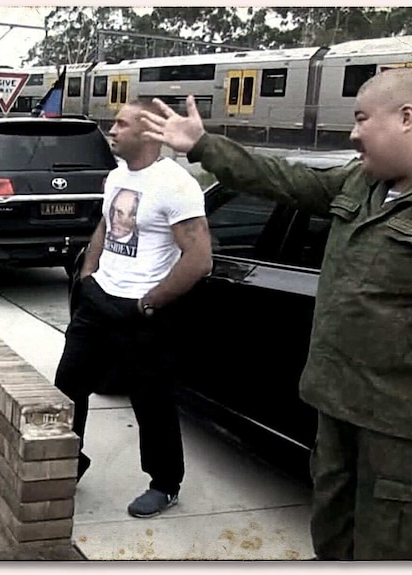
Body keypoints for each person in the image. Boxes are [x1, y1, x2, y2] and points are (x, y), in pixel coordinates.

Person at [139, 68, 412, 560]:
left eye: (361, 119)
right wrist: (203, 146)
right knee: (331, 527)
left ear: (406, 119)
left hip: (395, 426)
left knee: (386, 544)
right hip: (335, 403)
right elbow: (285, 179)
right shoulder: (359, 183)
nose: (351, 133)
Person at [55, 101, 212, 518]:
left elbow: (199, 259)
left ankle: (164, 483)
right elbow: (106, 226)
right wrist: (88, 275)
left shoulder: (175, 185)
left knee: (151, 401)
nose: (112, 129)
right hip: (98, 299)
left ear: (147, 133)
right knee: (67, 386)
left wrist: (148, 302)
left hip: (141, 311)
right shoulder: (116, 175)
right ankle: (69, 464)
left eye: (121, 124)